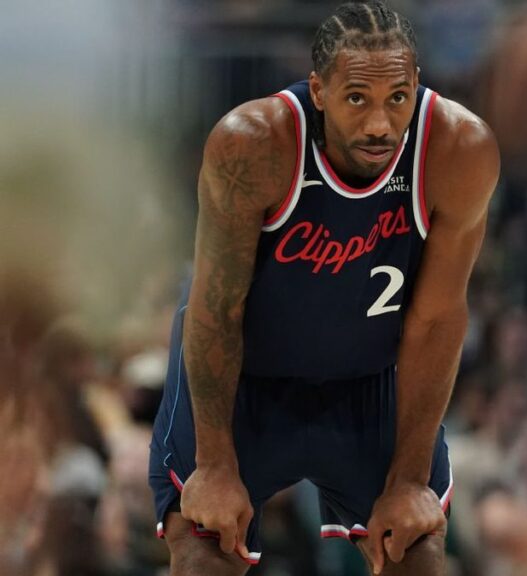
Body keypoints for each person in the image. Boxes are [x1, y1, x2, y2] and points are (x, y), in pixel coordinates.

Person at [147, 2, 500, 574]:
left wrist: (409, 480)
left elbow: (436, 318)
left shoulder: (459, 149)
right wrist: (213, 464)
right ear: (318, 90)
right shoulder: (253, 144)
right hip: (247, 384)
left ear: (417, 87)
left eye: (398, 98)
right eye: (357, 98)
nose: (380, 124)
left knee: (418, 552)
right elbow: (217, 307)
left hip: (370, 382)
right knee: (203, 551)